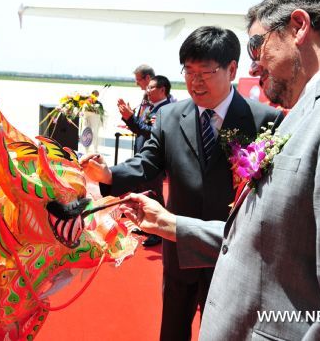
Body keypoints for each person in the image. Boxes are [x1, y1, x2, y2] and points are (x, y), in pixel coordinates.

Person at [120, 0, 320, 340]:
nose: (253, 68)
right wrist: (170, 224)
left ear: (299, 27)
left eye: (257, 46)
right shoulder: (314, 108)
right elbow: (270, 241)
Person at [80, 26, 283, 341]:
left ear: (232, 69)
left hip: (229, 247)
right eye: (188, 71)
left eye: (205, 72)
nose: (194, 81)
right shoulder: (169, 117)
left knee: (226, 330)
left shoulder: (265, 121)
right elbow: (148, 164)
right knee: (173, 327)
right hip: (178, 245)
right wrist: (109, 176)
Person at [123, 75, 173, 247]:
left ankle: (158, 232)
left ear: (162, 90)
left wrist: (131, 118)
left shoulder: (167, 109)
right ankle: (146, 227)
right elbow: (139, 129)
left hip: (154, 160)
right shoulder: (151, 107)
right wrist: (129, 118)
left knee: (154, 194)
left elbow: (152, 133)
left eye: (151, 87)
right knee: (142, 191)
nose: (147, 90)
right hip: (144, 156)